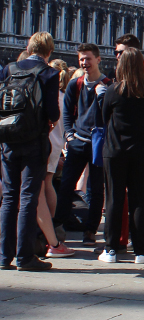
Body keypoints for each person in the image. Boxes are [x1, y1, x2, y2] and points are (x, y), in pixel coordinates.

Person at [0, 32, 60, 271]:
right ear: (49, 51)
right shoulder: (48, 73)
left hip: (8, 140)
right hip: (34, 141)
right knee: (28, 198)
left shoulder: (9, 69)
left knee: (8, 198)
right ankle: (25, 256)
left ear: (29, 46)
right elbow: (53, 113)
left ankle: (4, 257)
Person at [98, 48, 144, 264]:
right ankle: (141, 251)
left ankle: (111, 249)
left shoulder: (113, 91)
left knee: (114, 198)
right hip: (142, 152)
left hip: (115, 151)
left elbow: (104, 118)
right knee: (139, 200)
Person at [54, 43, 110, 246]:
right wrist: (69, 135)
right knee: (67, 185)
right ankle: (58, 225)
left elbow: (110, 116)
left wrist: (102, 95)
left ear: (98, 59)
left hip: (98, 144)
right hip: (78, 142)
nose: (84, 63)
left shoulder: (108, 84)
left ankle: (90, 230)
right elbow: (67, 112)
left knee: (96, 189)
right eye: (81, 59)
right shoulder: (74, 84)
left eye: (88, 59)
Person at [41, 59, 75, 258]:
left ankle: (51, 228)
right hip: (56, 145)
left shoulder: (53, 96)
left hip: (45, 143)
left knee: (42, 186)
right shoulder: (64, 97)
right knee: (48, 185)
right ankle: (54, 227)